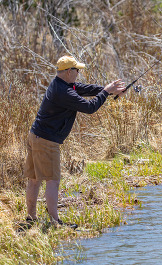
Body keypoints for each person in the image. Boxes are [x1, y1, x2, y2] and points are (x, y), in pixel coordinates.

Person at [24, 55, 126, 228]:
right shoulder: (64, 92)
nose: (79, 73)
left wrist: (109, 90)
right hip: (46, 141)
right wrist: (106, 92)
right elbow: (89, 108)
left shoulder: (61, 83)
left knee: (34, 179)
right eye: (77, 70)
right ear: (69, 71)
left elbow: (85, 89)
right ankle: (56, 223)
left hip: (36, 136)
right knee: (52, 181)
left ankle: (31, 218)